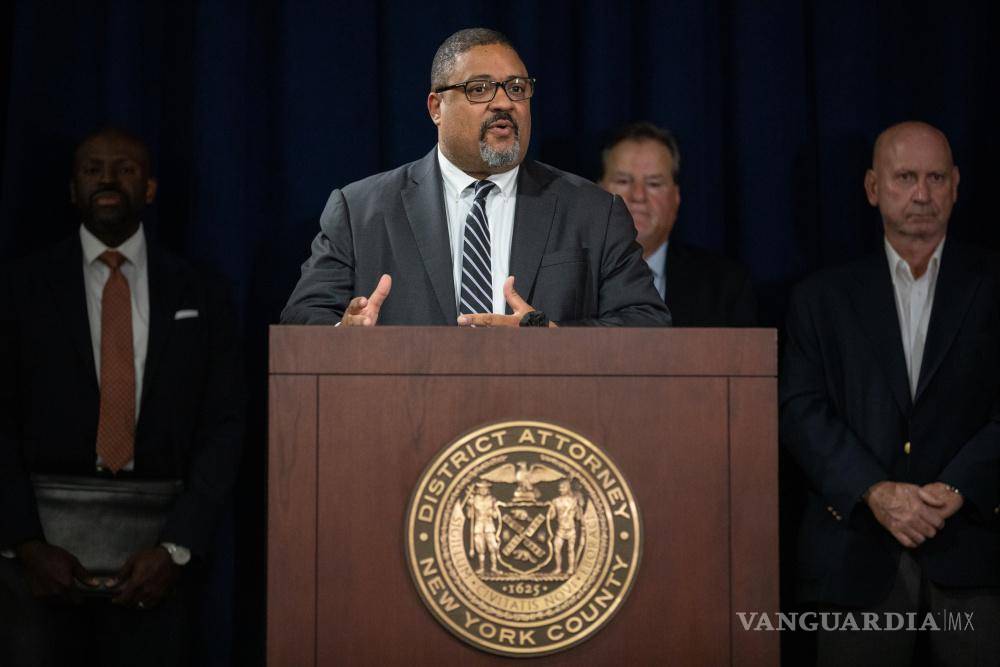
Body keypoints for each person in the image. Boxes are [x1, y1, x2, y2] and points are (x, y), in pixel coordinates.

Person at [0, 128, 243, 666]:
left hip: (157, 562)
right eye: (93, 169)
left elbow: (224, 425)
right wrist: (25, 543)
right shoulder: (18, 289)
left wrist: (176, 547)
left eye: (125, 169)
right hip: (35, 563)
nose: (108, 180)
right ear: (72, 189)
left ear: (150, 188)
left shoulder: (203, 292)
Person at [781, 121, 1000, 666]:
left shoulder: (994, 286)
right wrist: (875, 491)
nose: (922, 194)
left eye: (935, 178)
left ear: (956, 185)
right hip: (855, 553)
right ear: (873, 188)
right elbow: (801, 411)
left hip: (975, 550)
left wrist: (957, 486)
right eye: (905, 178)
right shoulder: (820, 298)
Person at [281, 28, 669, 328]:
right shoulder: (360, 211)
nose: (504, 102)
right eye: (479, 89)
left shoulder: (594, 212)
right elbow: (301, 319)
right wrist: (344, 335)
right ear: (436, 107)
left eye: (517, 88)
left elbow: (647, 324)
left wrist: (552, 341)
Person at [598, 121, 757, 326]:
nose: (638, 196)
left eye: (654, 183)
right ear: (597, 192)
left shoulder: (725, 286)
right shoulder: (566, 279)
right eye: (623, 181)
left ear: (675, 197)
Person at [548, 479, 584, 575]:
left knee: (571, 550)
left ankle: (571, 568)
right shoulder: (555, 501)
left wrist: (578, 507)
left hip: (571, 529)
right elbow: (552, 516)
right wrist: (549, 510)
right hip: (560, 530)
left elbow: (578, 517)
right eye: (560, 488)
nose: (560, 489)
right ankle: (558, 568)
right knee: (557, 549)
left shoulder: (573, 501)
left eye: (563, 487)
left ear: (568, 488)